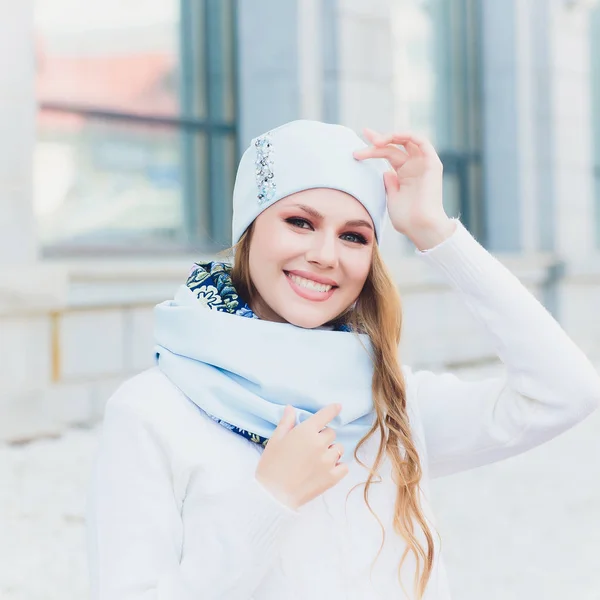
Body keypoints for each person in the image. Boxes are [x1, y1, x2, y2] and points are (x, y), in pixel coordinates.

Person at [86, 120, 600, 600]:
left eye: (354, 235)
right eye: (299, 222)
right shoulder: (153, 411)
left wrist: (435, 233)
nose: (326, 255)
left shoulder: (389, 401)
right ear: (250, 231)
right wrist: (271, 501)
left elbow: (565, 390)